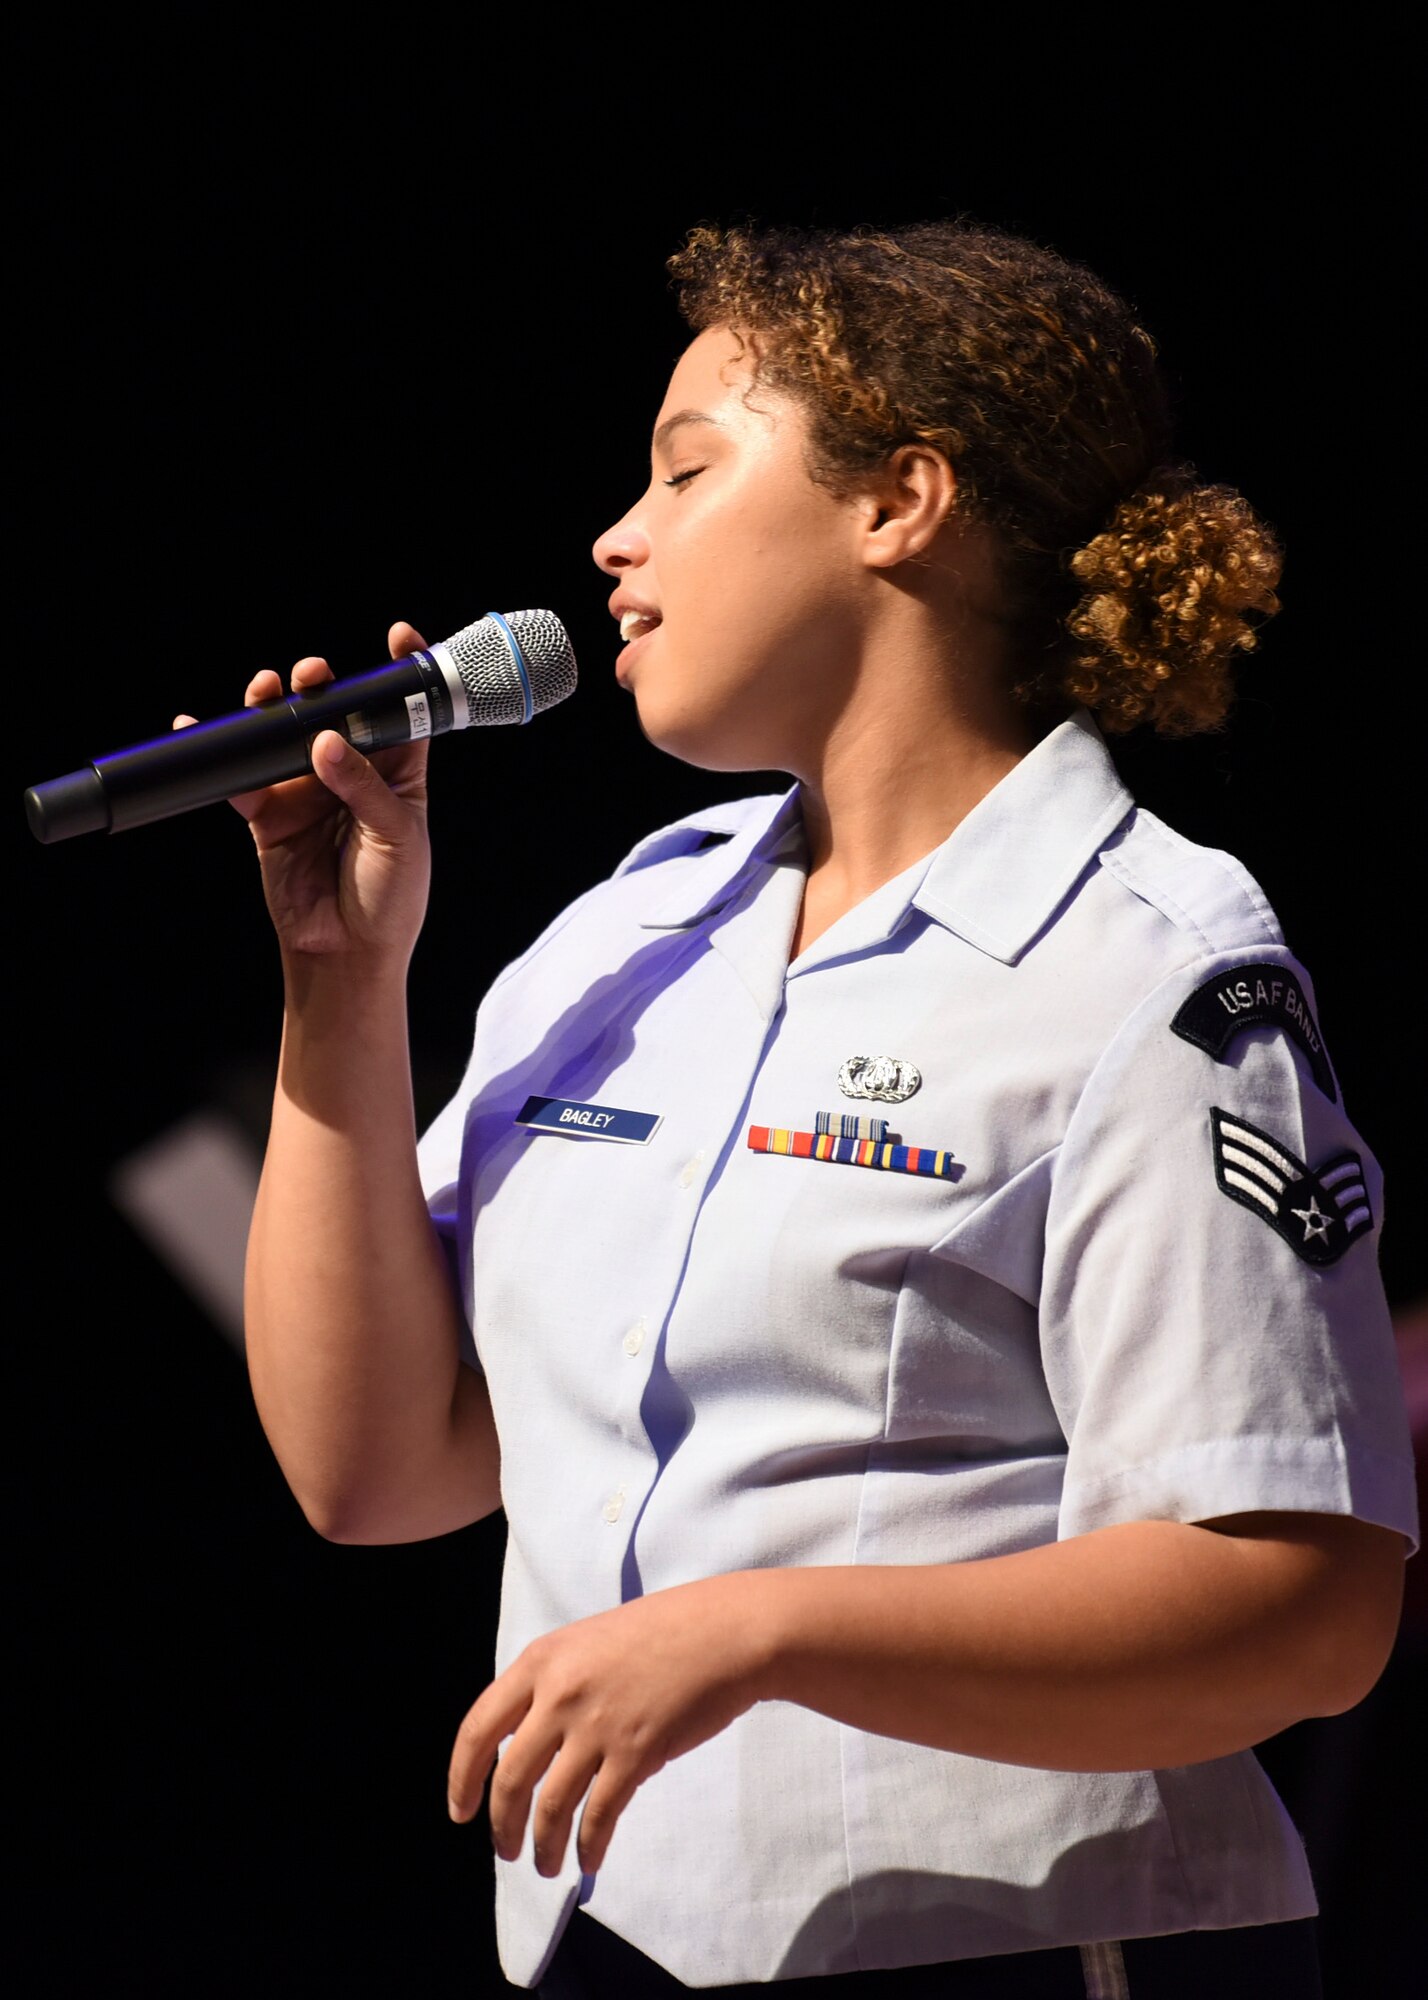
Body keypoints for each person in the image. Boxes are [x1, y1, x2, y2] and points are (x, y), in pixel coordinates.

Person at [223, 223, 1417, 1997]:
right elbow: (378, 1470)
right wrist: (341, 984)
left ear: (898, 502)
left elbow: (1307, 1606)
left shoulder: (1144, 966)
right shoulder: (629, 936)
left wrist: (765, 1630)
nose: (617, 540)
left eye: (688, 470)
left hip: (1020, 1948)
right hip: (609, 1943)